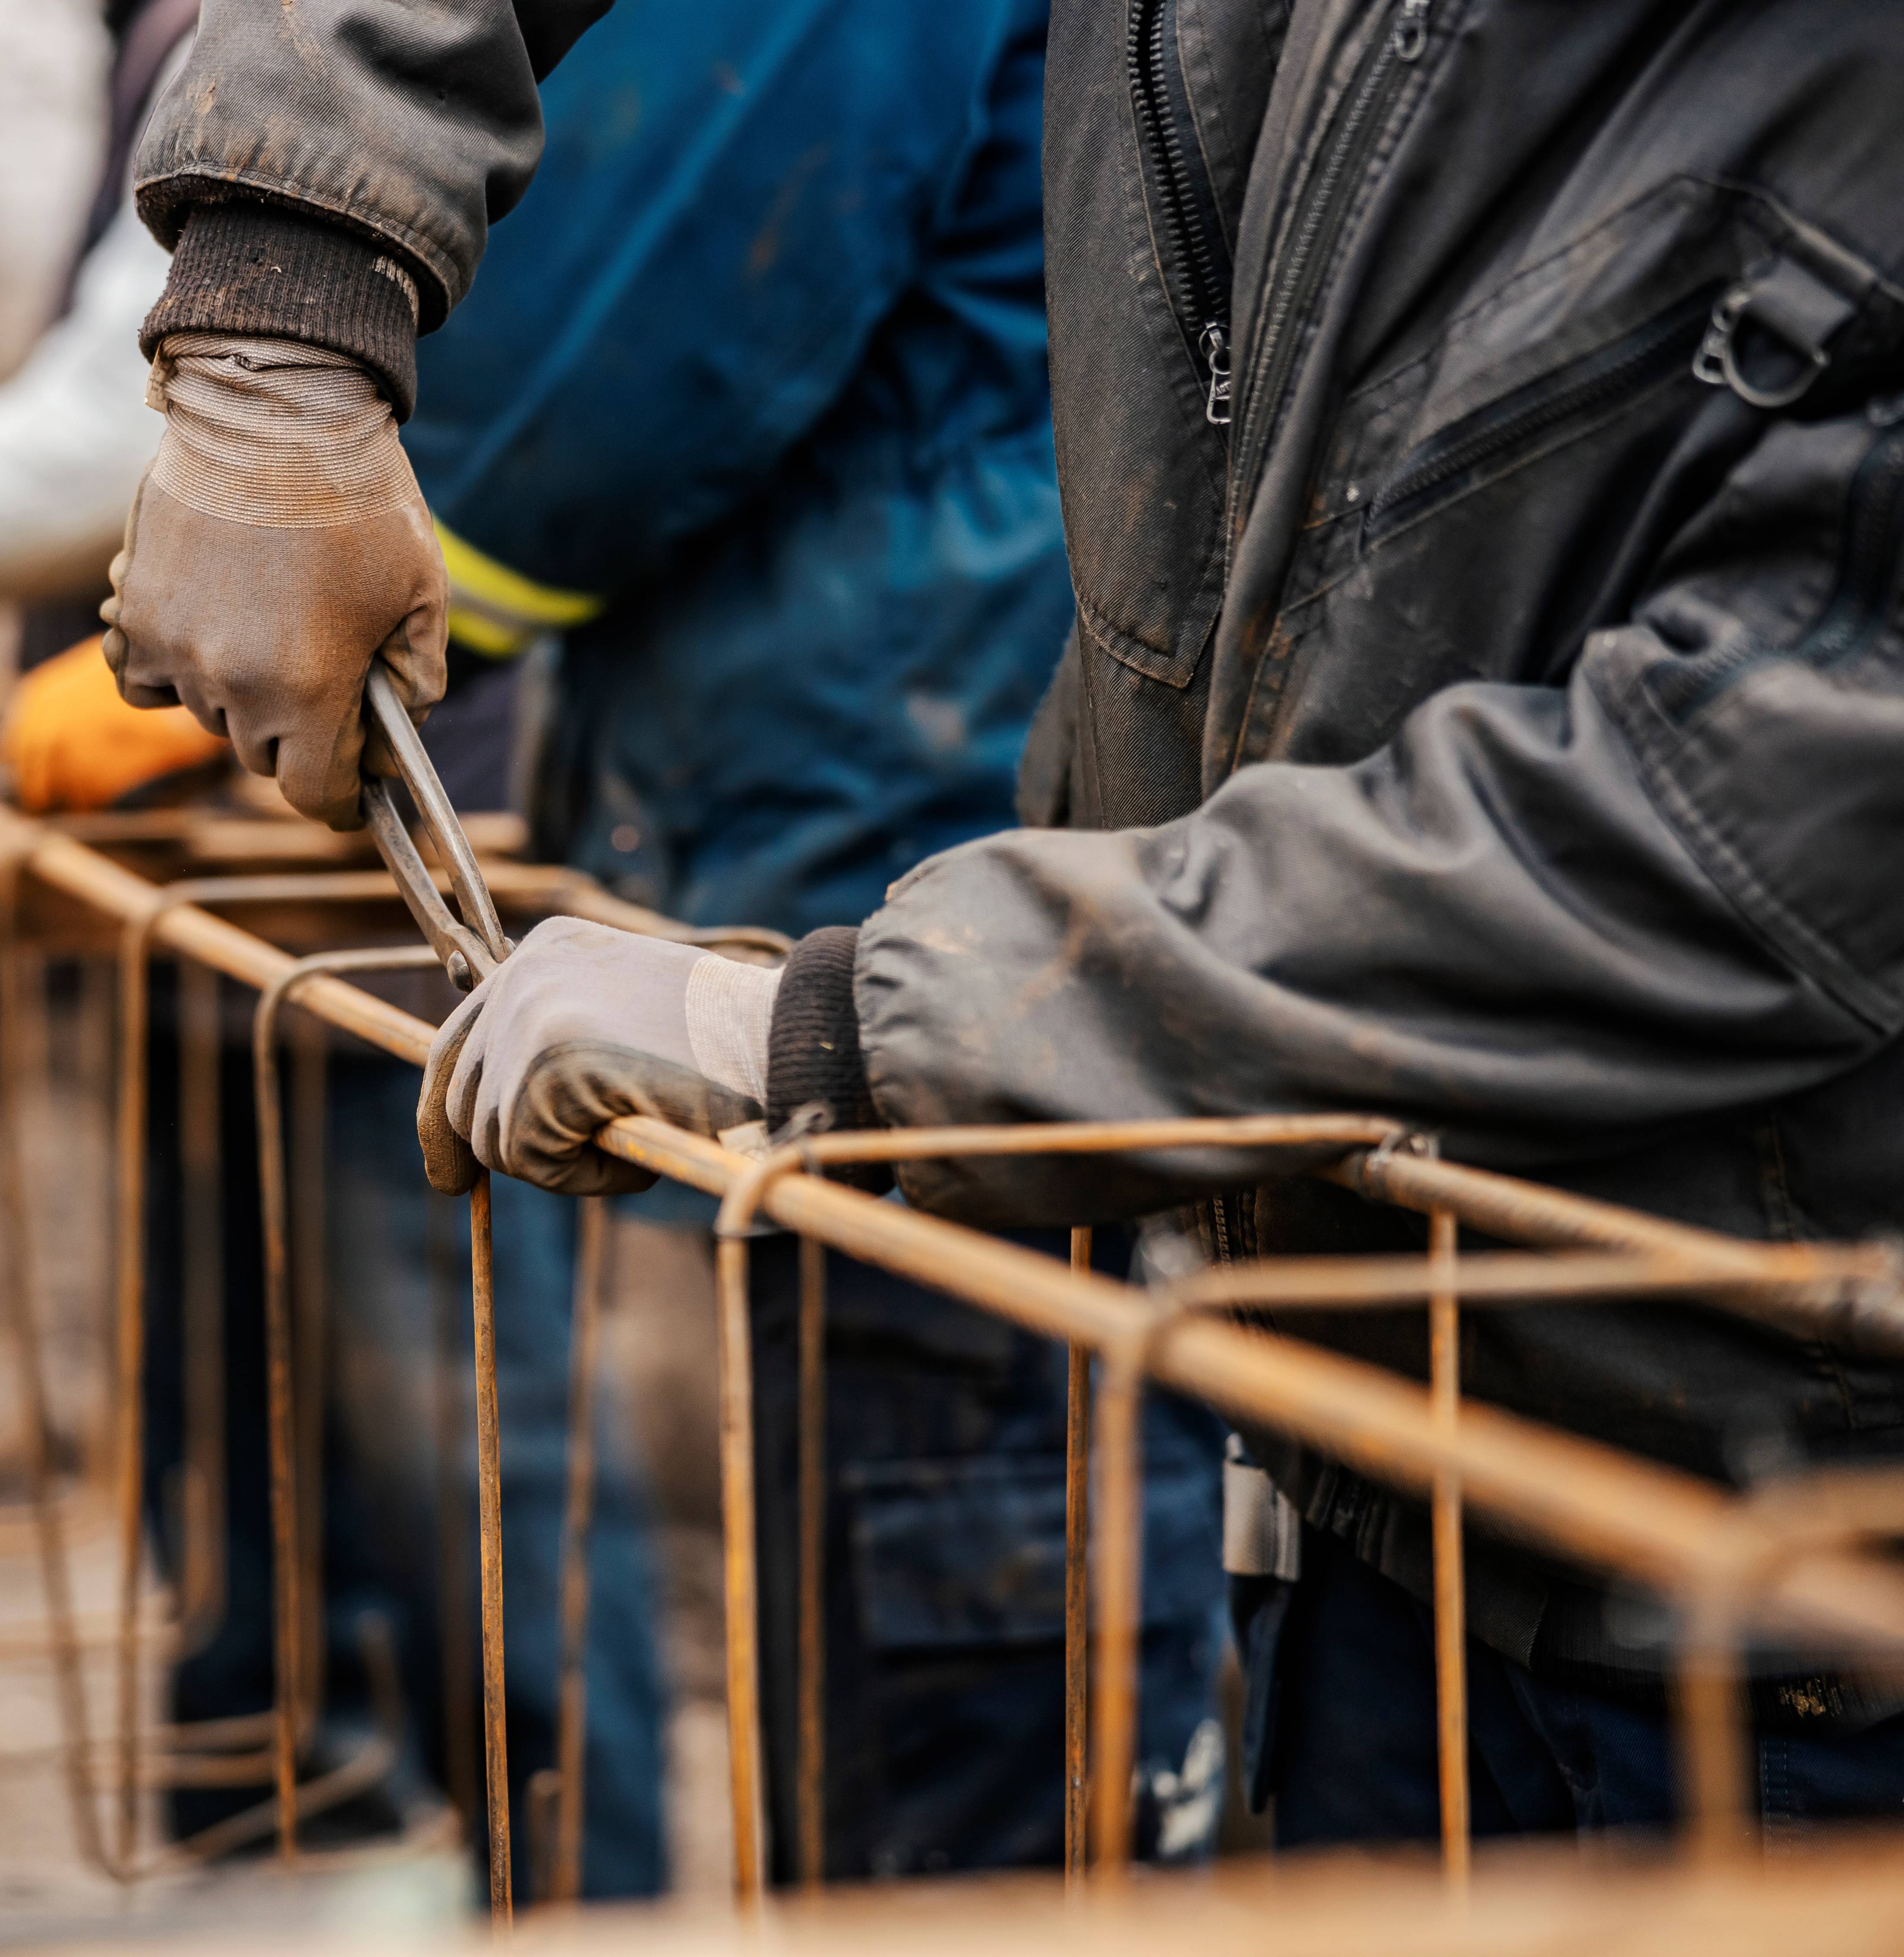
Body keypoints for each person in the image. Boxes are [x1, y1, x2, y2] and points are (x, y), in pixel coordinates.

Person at [101, 0, 1904, 1847]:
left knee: (948, 1707)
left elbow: (1777, 820)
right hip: (1318, 1370)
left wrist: (854, 1032)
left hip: (1778, 1536)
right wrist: (280, 308)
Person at [0, 0, 673, 1898]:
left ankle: (587, 1902)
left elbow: (134, 416)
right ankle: (300, 1872)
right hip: (239, 875)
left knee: (462, 1462)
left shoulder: (303, 51)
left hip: (365, 888)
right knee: (256, 1468)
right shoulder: (211, 42)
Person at [392, 0, 1225, 1876]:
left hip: (912, 871)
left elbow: (603, 376)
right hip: (913, 858)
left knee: (961, 1625)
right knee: (917, 1580)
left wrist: (389, 559)